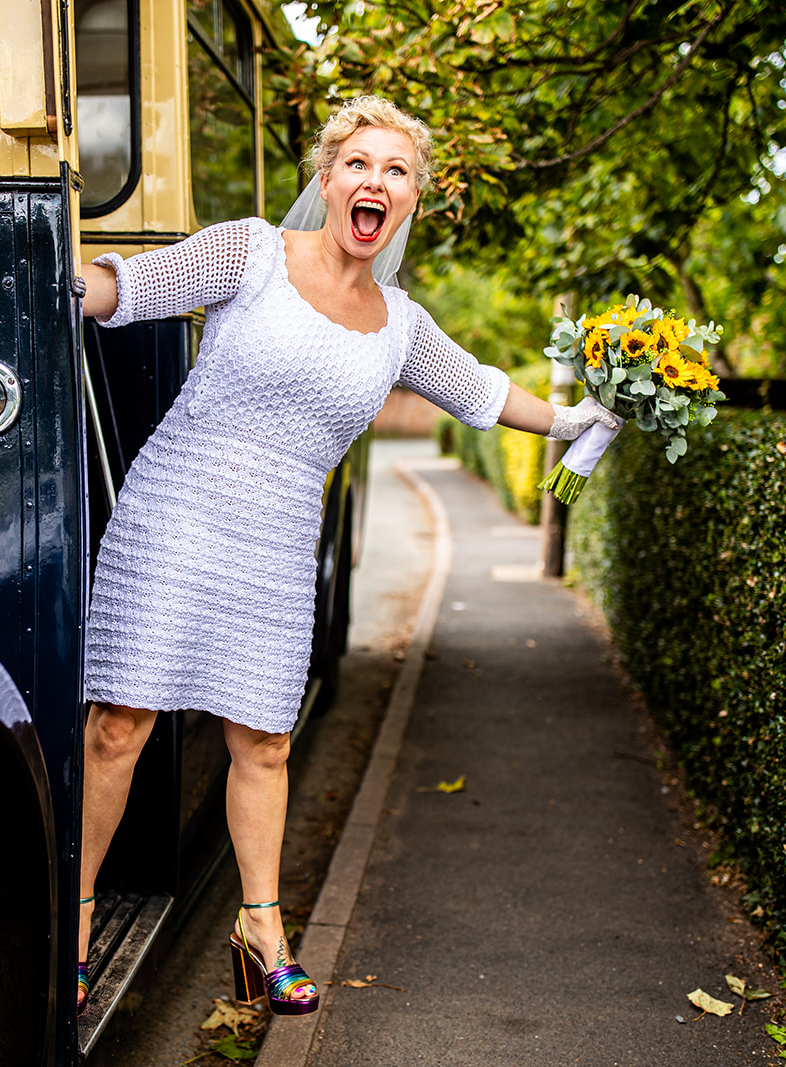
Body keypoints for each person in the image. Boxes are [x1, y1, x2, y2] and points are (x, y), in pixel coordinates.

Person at [72, 96, 622, 1016]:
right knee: (119, 725)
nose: (377, 182)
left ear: (410, 201)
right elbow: (130, 288)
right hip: (177, 510)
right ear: (328, 180)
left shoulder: (402, 325)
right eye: (360, 164)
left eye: (397, 171)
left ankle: (261, 932)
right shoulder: (250, 251)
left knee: (267, 741)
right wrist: (53, 273)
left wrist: (574, 419)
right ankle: (79, 920)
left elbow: (483, 392)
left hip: (282, 538)